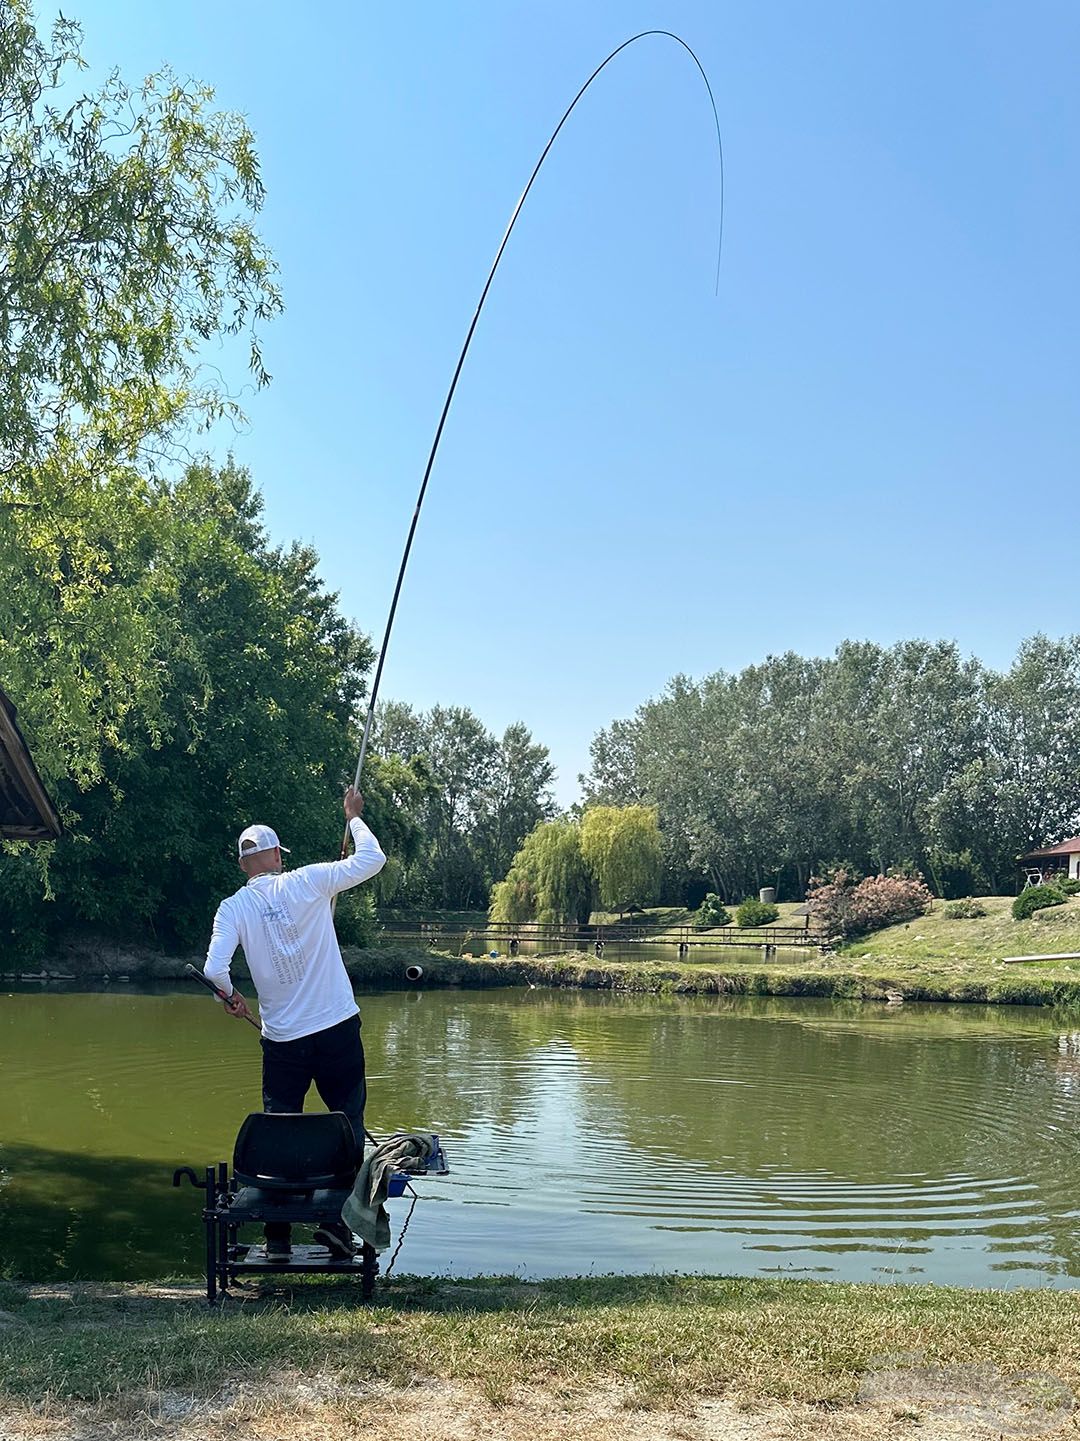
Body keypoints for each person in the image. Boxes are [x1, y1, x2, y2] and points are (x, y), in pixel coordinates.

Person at [204, 785, 385, 1260]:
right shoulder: (309, 881)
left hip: (282, 1039)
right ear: (276, 857)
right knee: (347, 1124)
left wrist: (231, 997)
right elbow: (373, 859)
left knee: (281, 1130)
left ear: (245, 864)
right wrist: (353, 817)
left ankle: (277, 1239)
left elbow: (213, 970)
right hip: (337, 1028)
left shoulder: (232, 908)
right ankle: (336, 1229)